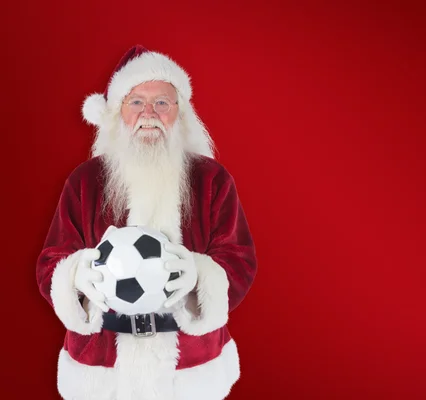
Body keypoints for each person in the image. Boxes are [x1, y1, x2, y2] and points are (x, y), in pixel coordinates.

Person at [35, 45, 258, 400]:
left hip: (190, 369)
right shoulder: (84, 181)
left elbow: (240, 260)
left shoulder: (213, 180)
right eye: (136, 102)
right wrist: (75, 274)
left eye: (162, 103)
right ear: (117, 113)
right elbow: (51, 262)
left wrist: (201, 275)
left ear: (180, 114)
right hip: (102, 368)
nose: (149, 113)